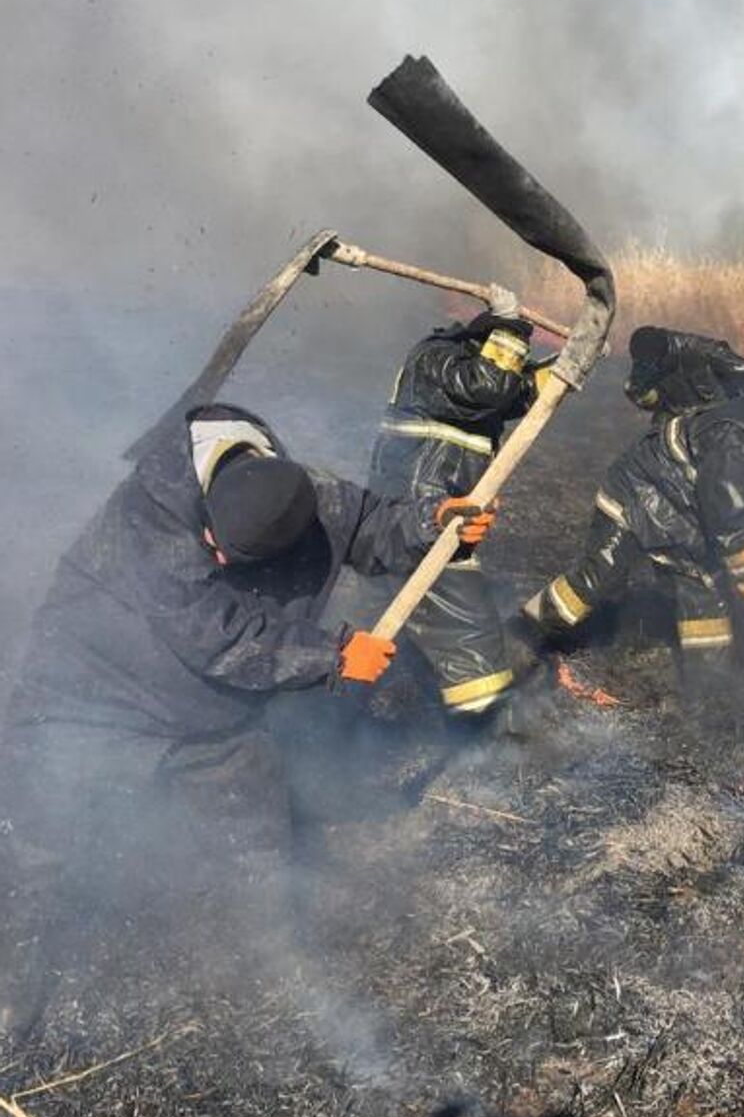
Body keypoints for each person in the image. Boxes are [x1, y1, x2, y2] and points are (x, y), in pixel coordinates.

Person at [0, 401, 485, 1036]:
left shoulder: (299, 492)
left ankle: (274, 955)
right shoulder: (150, 512)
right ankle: (13, 990)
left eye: (233, 555)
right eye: (215, 544)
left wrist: (431, 524)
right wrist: (335, 655)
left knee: (255, 832)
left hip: (207, 714)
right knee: (40, 838)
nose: (217, 557)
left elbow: (367, 522)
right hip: (88, 697)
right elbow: (216, 636)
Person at [523, 351, 744, 674]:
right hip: (641, 497)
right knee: (599, 578)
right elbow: (728, 517)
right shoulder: (732, 432)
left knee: (707, 611)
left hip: (691, 523)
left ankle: (709, 695)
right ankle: (524, 634)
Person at [367, 284, 551, 719]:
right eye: (501, 347)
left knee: (448, 616)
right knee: (469, 632)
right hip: (422, 505)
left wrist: (572, 363)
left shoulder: (466, 372)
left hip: (437, 503)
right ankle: (486, 731)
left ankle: (434, 701)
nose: (506, 359)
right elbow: (489, 386)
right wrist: (511, 327)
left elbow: (517, 393)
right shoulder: (437, 357)